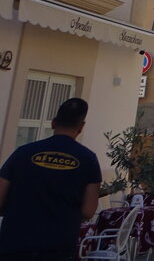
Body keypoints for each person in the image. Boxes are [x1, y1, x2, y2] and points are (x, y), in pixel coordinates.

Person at [0, 97, 101, 261]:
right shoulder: (88, 159)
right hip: (58, 247)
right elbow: (88, 210)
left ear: (53, 123)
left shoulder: (22, 153)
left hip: (14, 244)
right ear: (81, 127)